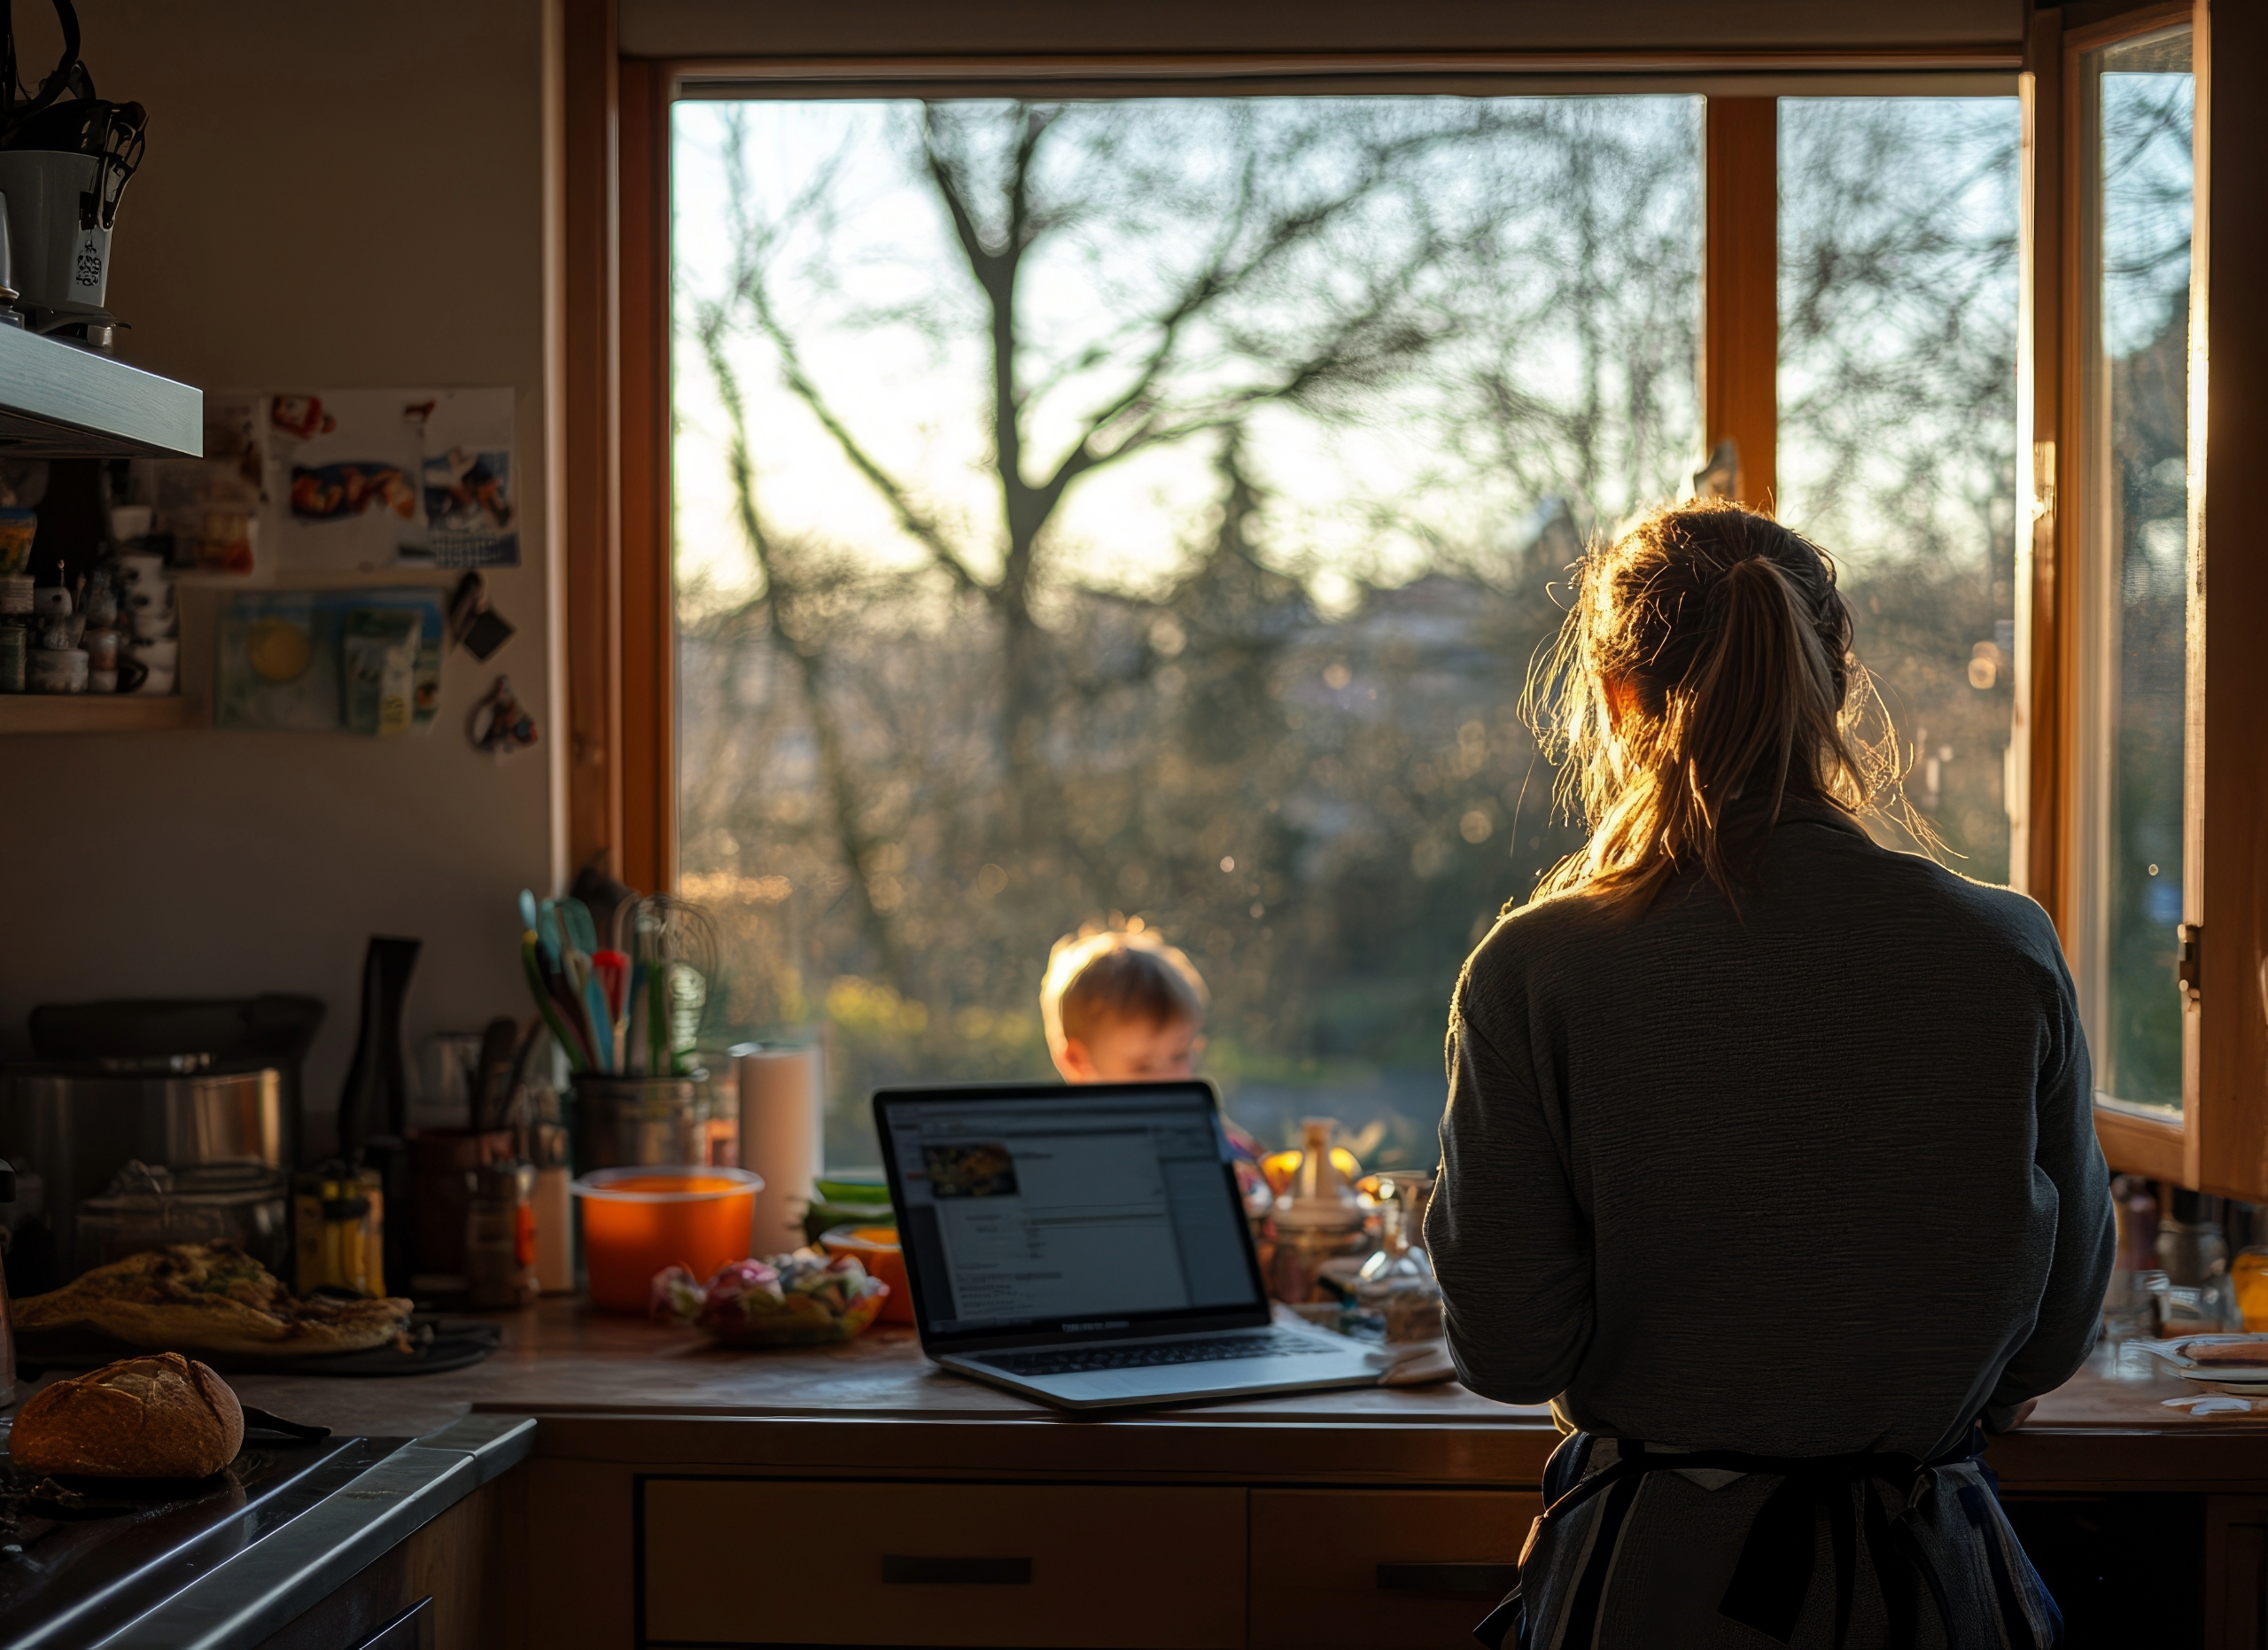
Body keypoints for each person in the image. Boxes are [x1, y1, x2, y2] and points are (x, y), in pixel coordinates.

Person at [1426, 500, 2112, 1649]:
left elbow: (1503, 1349)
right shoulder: (2004, 948)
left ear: (1617, 698)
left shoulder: (1537, 969)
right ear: (1832, 683)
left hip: (1654, 1589)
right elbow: (2050, 1337)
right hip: (1931, 1587)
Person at [1040, 926, 1209, 1083]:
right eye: (1143, 1067)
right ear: (1077, 1064)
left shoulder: (1201, 1114)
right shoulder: (1064, 1116)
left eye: (1179, 1056)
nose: (1170, 1079)